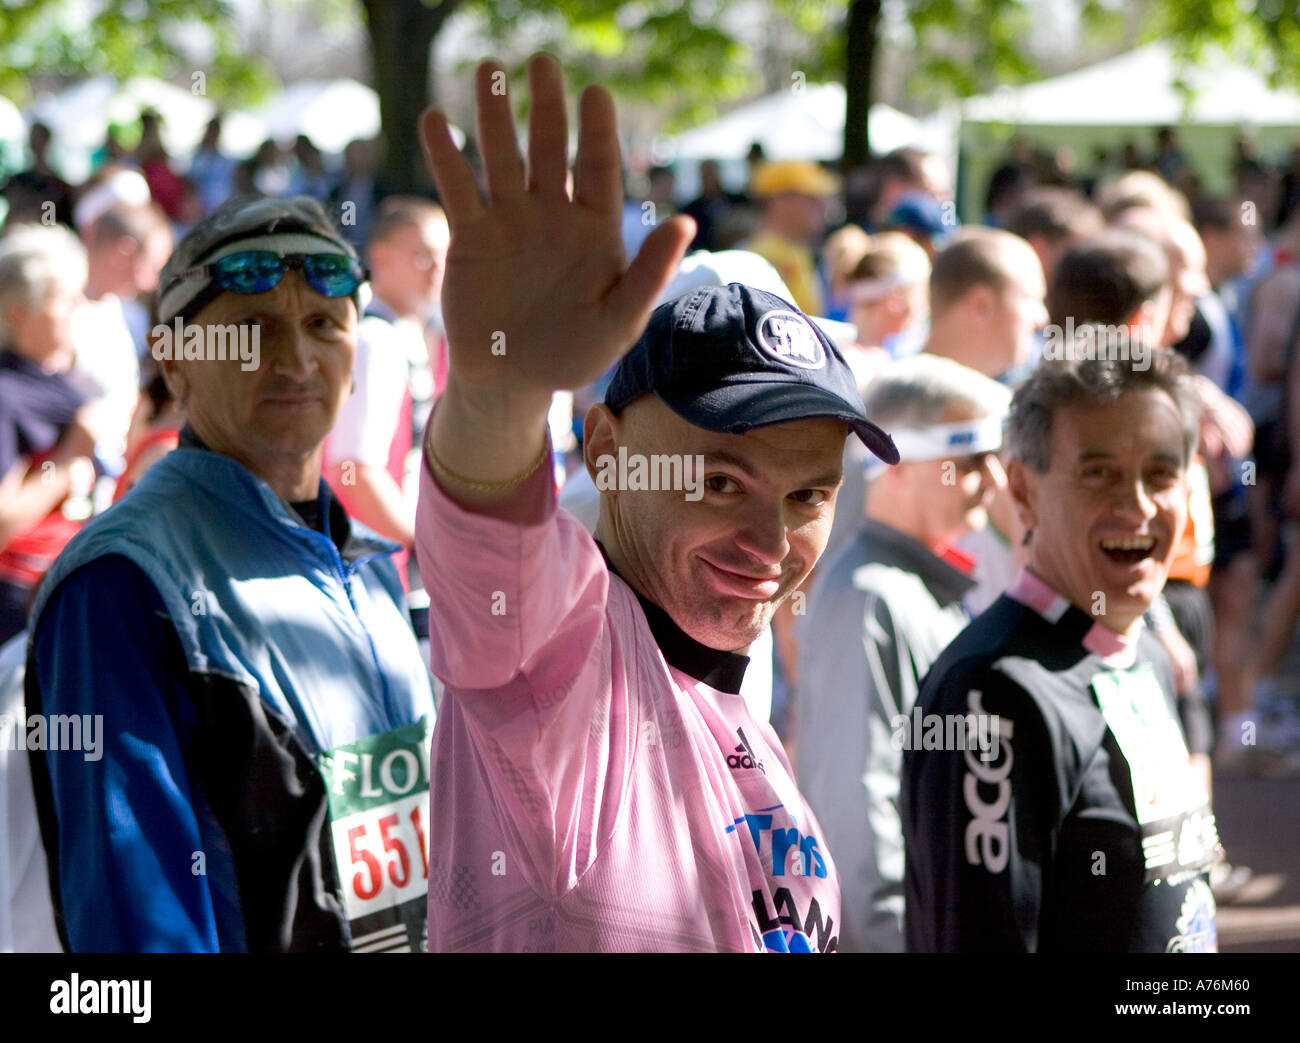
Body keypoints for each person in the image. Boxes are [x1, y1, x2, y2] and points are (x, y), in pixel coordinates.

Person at [416, 55, 900, 952]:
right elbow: (486, 542)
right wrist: (500, 388)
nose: (772, 538)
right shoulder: (564, 669)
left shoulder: (720, 684)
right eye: (721, 480)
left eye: (808, 494)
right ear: (604, 449)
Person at [25, 195, 435, 952]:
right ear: (173, 359)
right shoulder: (120, 586)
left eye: (323, 324)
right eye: (253, 330)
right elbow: (135, 928)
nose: (295, 360)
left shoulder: (370, 563)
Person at [902, 348, 1222, 952]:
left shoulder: (1145, 653)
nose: (1137, 506)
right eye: (1098, 473)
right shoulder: (988, 692)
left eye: (1160, 474)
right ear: (1022, 491)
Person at [795, 354, 1010, 952]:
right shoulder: (869, 601)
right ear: (895, 467)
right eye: (969, 462)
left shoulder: (919, 588)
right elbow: (856, 808)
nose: (994, 481)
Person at [0, 224, 101, 645]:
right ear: (18, 313)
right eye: (63, 298)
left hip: (74, 590)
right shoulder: (7, 394)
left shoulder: (72, 381)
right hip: (20, 609)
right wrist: (69, 459)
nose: (80, 305)